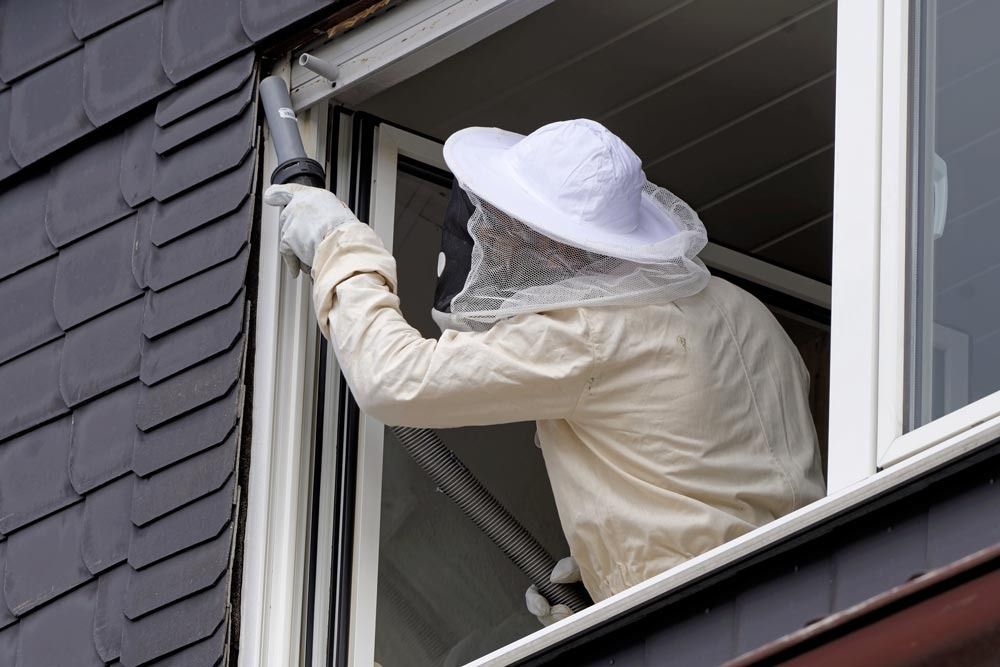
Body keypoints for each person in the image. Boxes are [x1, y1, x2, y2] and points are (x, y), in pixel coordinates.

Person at [264, 119, 825, 626]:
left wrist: (338, 245)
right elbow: (720, 487)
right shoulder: (745, 311)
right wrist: (610, 576)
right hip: (809, 594)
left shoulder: (589, 331)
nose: (494, 244)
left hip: (701, 620)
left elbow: (393, 379)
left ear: (556, 249)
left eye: (511, 231)